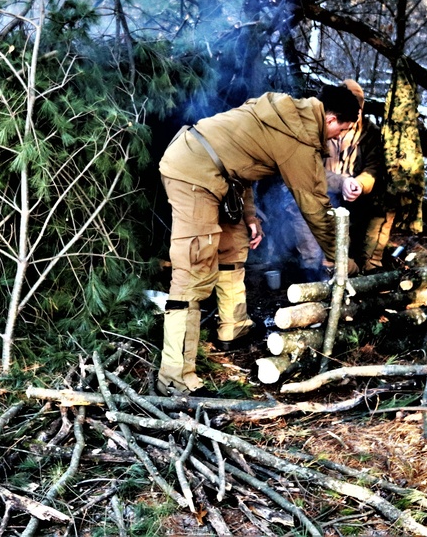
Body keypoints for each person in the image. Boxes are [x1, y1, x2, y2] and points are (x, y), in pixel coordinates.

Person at [156, 84, 363, 396]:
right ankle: (174, 376)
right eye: (340, 131)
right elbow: (314, 206)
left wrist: (249, 215)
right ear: (331, 119)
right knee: (193, 269)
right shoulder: (300, 136)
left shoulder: (292, 116)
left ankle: (233, 327)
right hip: (192, 171)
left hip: (223, 176)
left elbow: (243, 164)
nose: (337, 139)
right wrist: (339, 256)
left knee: (233, 245)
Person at [293, 80, 391, 278]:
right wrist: (341, 181)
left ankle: (363, 270)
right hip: (320, 191)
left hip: (355, 198)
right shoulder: (317, 127)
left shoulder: (370, 133)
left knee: (379, 213)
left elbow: (373, 168)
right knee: (302, 214)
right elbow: (310, 170)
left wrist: (359, 184)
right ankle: (311, 273)